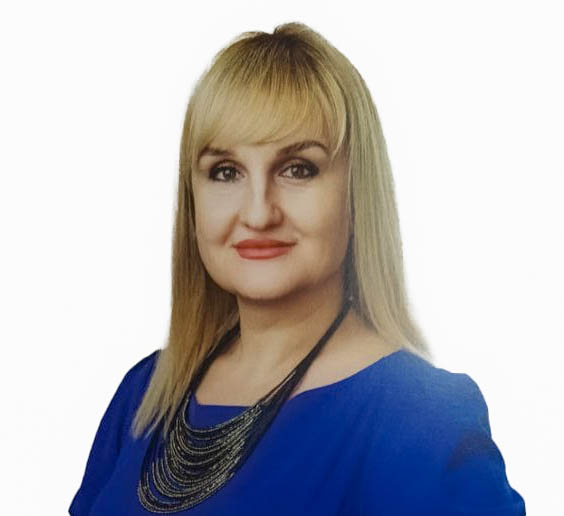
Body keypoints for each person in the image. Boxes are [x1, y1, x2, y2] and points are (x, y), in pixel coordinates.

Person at [69, 22, 526, 515]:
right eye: (226, 171)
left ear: (356, 192)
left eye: (298, 169)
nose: (258, 212)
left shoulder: (419, 417)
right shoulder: (145, 394)